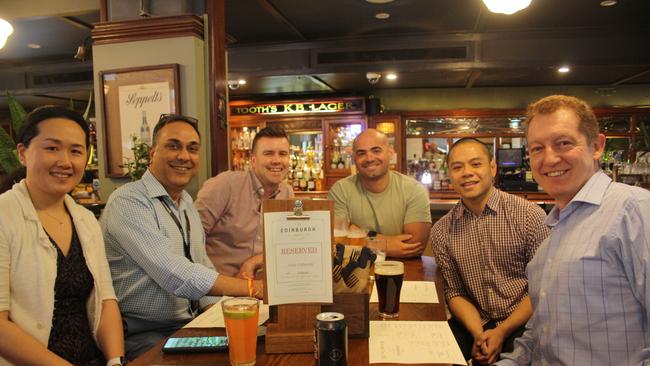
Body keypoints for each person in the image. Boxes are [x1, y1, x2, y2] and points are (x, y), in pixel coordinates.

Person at [496, 95, 650, 365]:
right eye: (537, 149)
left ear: (596, 146)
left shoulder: (633, 210)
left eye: (563, 143)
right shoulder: (551, 240)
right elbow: (541, 336)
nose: (550, 159)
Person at [101, 114, 262, 359]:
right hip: (144, 335)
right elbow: (174, 273)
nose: (184, 156)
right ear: (153, 152)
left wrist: (218, 317)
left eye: (192, 149)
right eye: (173, 146)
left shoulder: (185, 201)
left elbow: (200, 265)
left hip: (187, 327)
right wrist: (252, 288)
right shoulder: (128, 202)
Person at [0, 106, 125, 366]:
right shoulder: (5, 215)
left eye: (76, 151)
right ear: (23, 153)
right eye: (52, 148)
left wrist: (115, 361)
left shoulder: (86, 220)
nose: (65, 161)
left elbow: (105, 301)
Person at [431, 138, 549, 365]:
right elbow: (455, 292)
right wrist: (479, 335)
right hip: (476, 323)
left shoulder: (529, 216)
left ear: (492, 168)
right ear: (450, 175)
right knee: (431, 354)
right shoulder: (442, 231)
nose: (467, 173)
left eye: (476, 164)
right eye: (458, 167)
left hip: (525, 322)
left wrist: (501, 331)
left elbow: (542, 288)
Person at [195, 126, 293, 278]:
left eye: (283, 154)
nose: (277, 160)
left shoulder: (287, 192)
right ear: (253, 160)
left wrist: (254, 261)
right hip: (219, 291)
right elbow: (191, 238)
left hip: (261, 288)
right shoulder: (225, 185)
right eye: (268, 153)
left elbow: (285, 245)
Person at [328, 128, 431, 257]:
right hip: (354, 271)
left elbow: (413, 246)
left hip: (404, 270)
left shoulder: (414, 190)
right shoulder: (340, 190)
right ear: (354, 158)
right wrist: (386, 245)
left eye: (376, 151)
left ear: (391, 152)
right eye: (361, 153)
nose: (369, 158)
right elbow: (338, 241)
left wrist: (358, 234)